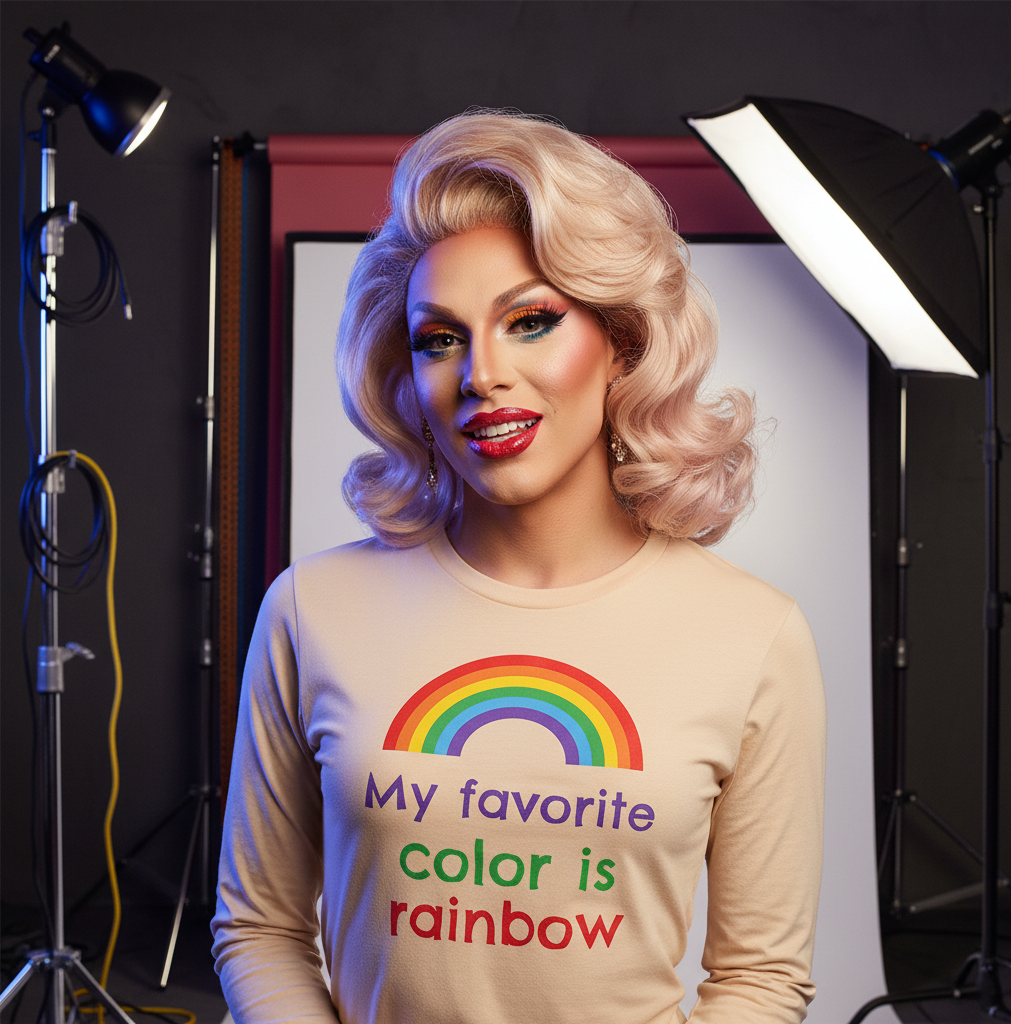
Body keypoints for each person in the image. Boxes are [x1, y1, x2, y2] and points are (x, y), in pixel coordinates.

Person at [212, 111, 826, 1024]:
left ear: (622, 345)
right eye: (439, 339)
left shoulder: (756, 636)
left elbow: (761, 978)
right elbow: (258, 928)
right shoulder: (313, 607)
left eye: (531, 321)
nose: (481, 374)